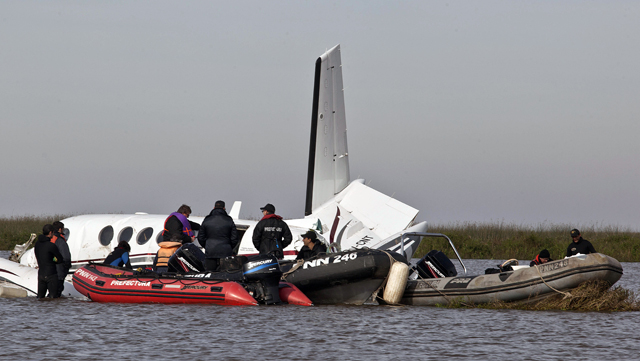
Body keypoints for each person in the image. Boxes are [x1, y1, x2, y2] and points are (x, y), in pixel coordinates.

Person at [198, 200, 238, 272]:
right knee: (225, 274)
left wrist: (207, 245)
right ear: (224, 208)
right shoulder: (229, 220)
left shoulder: (207, 220)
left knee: (210, 274)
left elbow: (200, 237)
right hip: (225, 251)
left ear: (214, 208)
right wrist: (229, 246)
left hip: (210, 250)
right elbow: (235, 237)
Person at [34, 224, 65, 298]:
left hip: (41, 274)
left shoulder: (37, 244)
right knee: (53, 299)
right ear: (51, 232)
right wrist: (54, 261)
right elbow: (60, 259)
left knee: (40, 297)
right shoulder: (51, 245)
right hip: (51, 275)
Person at [52, 221, 71, 297]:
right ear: (60, 229)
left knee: (52, 291)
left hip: (50, 270)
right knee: (58, 291)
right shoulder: (60, 240)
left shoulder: (49, 239)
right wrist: (67, 266)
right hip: (59, 270)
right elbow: (65, 256)